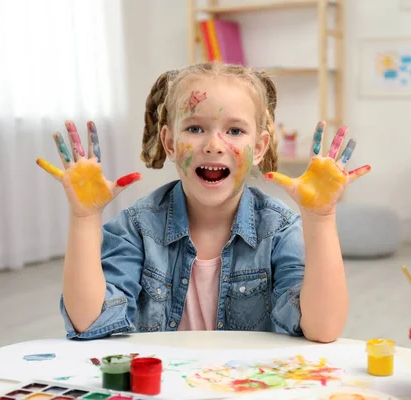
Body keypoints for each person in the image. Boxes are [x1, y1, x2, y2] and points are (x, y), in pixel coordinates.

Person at [36, 62, 370, 342]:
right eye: (195, 128)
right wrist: (83, 218)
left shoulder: (279, 229)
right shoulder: (137, 227)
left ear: (261, 147)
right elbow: (88, 322)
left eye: (235, 131)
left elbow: (323, 329)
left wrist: (321, 218)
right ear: (169, 142)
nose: (214, 144)